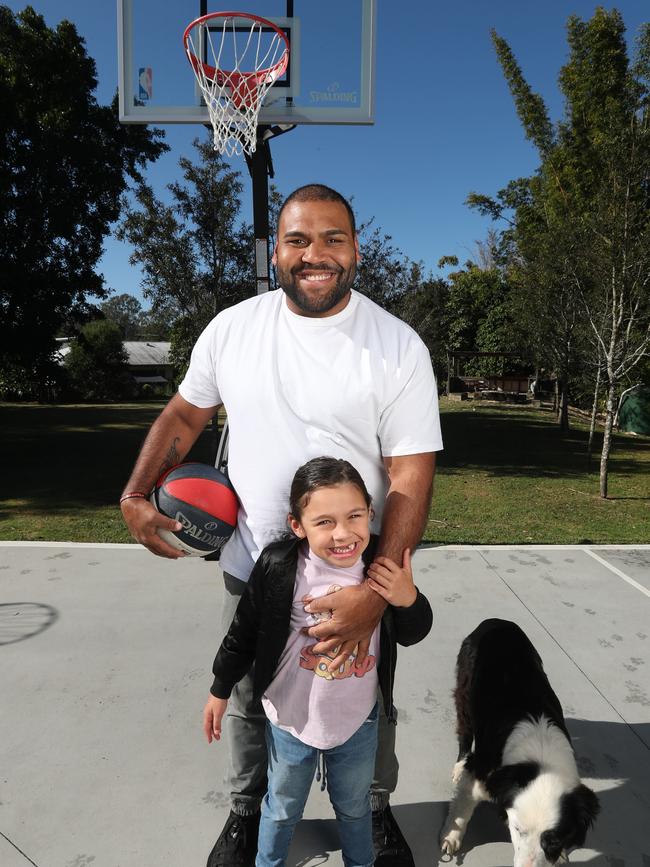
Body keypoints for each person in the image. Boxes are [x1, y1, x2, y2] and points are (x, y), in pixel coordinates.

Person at [120, 184, 443, 867]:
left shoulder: (396, 347)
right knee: (248, 694)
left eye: (332, 238)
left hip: (356, 573)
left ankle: (373, 808)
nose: (315, 254)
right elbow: (183, 416)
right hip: (254, 566)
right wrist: (134, 489)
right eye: (298, 240)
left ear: (356, 249)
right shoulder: (234, 329)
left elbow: (411, 477)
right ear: (276, 252)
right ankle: (246, 813)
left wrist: (378, 591)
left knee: (369, 695)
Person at [203, 457, 433, 867]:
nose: (343, 533)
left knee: (356, 808)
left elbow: (415, 630)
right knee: (281, 809)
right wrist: (220, 689)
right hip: (291, 722)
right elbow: (243, 633)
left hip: (358, 722)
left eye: (354, 516)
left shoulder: (382, 566)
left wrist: (407, 598)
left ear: (371, 514)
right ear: (297, 525)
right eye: (324, 522)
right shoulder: (279, 567)